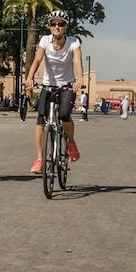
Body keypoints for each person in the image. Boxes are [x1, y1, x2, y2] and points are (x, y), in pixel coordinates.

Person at [23, 10, 82, 174]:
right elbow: (37, 59)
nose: (56, 27)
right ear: (49, 26)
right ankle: (40, 158)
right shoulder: (44, 41)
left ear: (65, 27)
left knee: (64, 115)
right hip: (48, 86)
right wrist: (29, 77)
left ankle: (70, 142)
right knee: (40, 120)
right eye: (53, 24)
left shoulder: (73, 42)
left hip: (66, 86)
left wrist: (80, 78)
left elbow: (77, 61)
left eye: (60, 24)